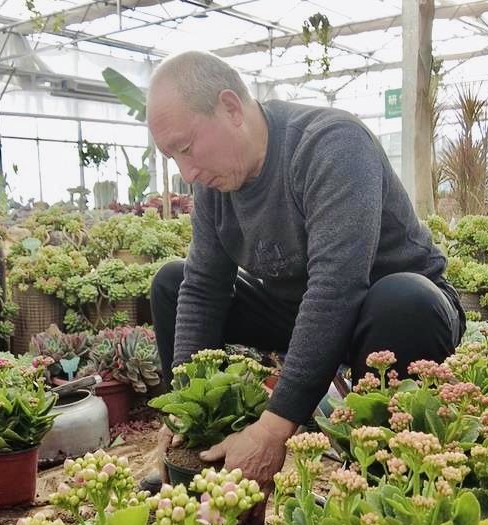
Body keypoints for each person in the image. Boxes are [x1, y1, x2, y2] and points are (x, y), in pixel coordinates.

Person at [145, 50, 465, 498]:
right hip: (301, 307)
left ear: (231, 108)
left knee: (403, 300)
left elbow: (337, 288)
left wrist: (274, 428)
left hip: (392, 308)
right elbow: (202, 290)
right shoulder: (214, 183)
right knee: (174, 283)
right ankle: (202, 453)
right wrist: (180, 408)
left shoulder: (330, 145)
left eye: (186, 147)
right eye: (171, 156)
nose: (187, 171)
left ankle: (382, 482)